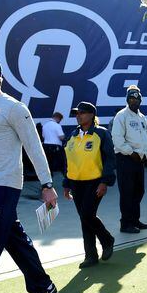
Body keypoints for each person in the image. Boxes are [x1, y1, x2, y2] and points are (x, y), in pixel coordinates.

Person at [0, 58, 60, 293]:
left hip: (5, 183)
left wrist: (46, 184)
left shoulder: (13, 108)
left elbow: (34, 147)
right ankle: (43, 286)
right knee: (13, 237)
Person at [62, 102, 116, 268]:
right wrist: (66, 183)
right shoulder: (73, 135)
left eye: (82, 113)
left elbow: (109, 159)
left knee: (87, 214)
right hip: (76, 183)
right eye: (77, 113)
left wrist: (105, 182)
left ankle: (107, 240)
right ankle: (90, 256)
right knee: (85, 218)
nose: (78, 116)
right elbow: (68, 161)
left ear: (92, 115)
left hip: (94, 182)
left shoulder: (101, 133)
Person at [111, 85, 147, 233]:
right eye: (131, 98)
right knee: (127, 192)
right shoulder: (121, 115)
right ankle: (126, 224)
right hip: (125, 159)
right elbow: (117, 138)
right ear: (127, 100)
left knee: (138, 191)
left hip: (139, 160)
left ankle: (135, 220)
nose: (133, 101)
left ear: (140, 100)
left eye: (136, 98)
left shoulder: (142, 117)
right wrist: (131, 152)